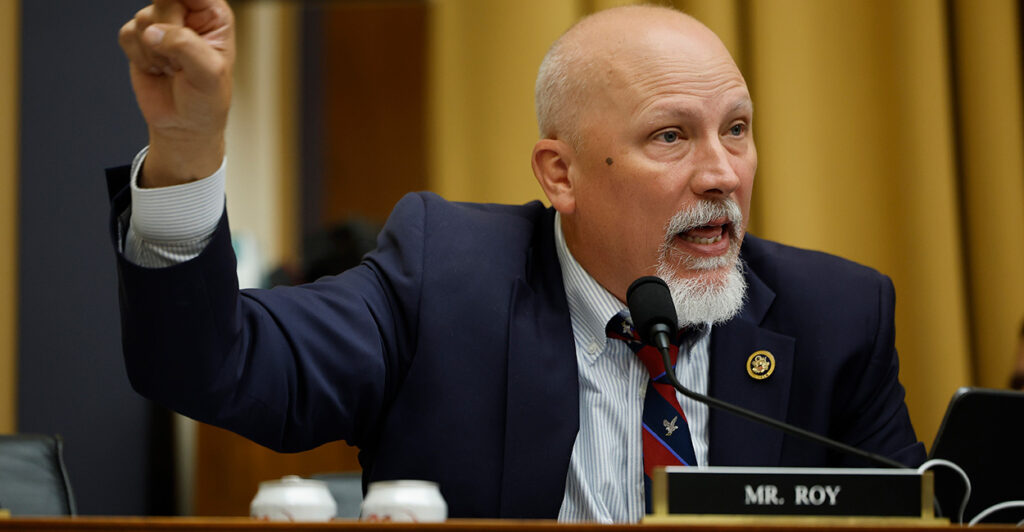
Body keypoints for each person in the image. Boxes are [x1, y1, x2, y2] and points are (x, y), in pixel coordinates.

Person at [112, 0, 926, 522]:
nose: (722, 172)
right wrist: (186, 151)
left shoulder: (835, 316)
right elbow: (212, 363)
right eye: (671, 136)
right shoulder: (445, 281)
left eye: (738, 128)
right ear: (559, 174)